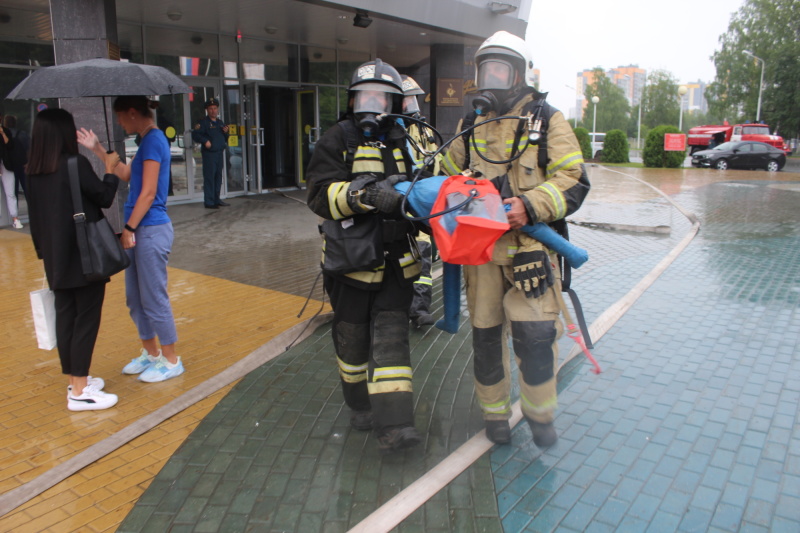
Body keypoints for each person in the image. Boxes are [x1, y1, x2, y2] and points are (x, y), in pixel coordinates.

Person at [441, 31, 590, 447]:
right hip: (481, 256)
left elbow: (574, 179)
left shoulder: (549, 120)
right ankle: (495, 417)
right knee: (486, 339)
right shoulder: (469, 124)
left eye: (500, 69)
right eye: (485, 69)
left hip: (530, 251)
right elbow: (444, 177)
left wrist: (531, 204)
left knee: (536, 338)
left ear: (520, 74)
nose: (491, 78)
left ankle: (540, 415)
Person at [306, 59, 424, 454]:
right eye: (364, 96)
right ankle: (359, 405)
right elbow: (319, 195)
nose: (372, 105)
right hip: (350, 265)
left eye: (381, 97)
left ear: (394, 102)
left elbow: (428, 187)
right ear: (352, 100)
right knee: (352, 345)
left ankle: (396, 426)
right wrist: (364, 195)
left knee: (392, 345)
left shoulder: (408, 141)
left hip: (395, 263)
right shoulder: (336, 138)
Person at [77, 95, 184, 383]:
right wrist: (98, 149)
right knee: (135, 299)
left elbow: (148, 193)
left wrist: (129, 228)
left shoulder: (153, 141)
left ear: (133, 113)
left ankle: (171, 360)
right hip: (140, 231)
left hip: (148, 230)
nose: (119, 123)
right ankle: (152, 354)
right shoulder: (145, 141)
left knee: (153, 296)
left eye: (121, 117)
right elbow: (128, 176)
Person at [26, 108, 120, 411]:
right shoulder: (74, 164)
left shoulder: (32, 171)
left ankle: (75, 381)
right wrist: (109, 167)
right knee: (86, 319)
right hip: (84, 256)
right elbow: (104, 197)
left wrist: (44, 255)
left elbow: (36, 220)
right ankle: (80, 391)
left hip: (55, 259)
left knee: (66, 318)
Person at [400, 75, 438, 328]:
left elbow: (438, 159)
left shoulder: (422, 129)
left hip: (424, 203)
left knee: (424, 258)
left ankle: (419, 311)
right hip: (403, 202)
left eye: (414, 98)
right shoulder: (393, 130)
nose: (412, 105)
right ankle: (403, 309)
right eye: (406, 100)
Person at [191, 97, 229, 209]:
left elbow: (224, 137)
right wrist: (205, 141)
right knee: (209, 177)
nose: (213, 111)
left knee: (218, 177)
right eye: (211, 108)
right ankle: (209, 201)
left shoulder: (220, 122)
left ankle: (216, 199)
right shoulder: (203, 122)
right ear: (207, 110)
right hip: (209, 154)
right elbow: (196, 135)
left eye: (215, 108)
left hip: (219, 153)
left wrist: (227, 133)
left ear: (217, 109)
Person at [0, 112, 22, 229]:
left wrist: (3, 133)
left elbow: (10, 146)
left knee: (10, 193)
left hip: (7, 165)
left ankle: (15, 218)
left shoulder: (6, 131)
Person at [3, 115, 30, 201]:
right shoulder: (23, 134)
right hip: (23, 164)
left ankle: (14, 212)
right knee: (27, 189)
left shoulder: (4, 136)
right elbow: (30, 148)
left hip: (10, 166)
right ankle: (33, 210)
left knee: (12, 192)